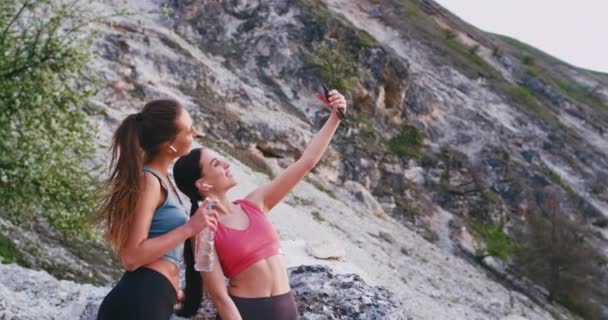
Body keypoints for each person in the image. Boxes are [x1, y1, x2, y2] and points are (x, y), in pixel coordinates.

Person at [172, 89, 348, 319]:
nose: (226, 164)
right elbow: (220, 297)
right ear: (203, 184)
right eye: (216, 163)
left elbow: (306, 162)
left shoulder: (254, 203)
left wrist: (336, 117)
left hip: (288, 310)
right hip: (249, 313)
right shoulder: (204, 228)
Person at [96, 99, 220, 320]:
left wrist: (178, 293)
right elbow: (131, 257)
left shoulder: (162, 181)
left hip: (152, 299)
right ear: (169, 146)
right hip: (139, 302)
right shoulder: (149, 181)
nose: (196, 133)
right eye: (189, 131)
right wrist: (190, 228)